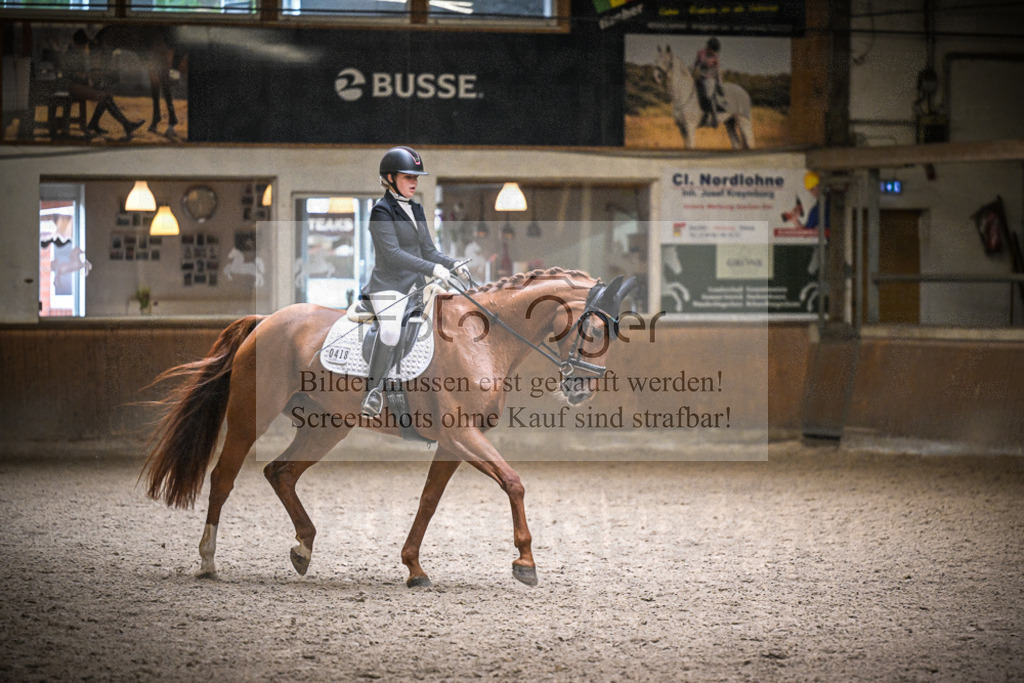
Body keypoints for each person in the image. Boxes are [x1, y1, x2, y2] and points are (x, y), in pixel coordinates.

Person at [359, 146, 470, 418]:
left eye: (416, 177)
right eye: (408, 176)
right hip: (388, 286)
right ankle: (373, 392)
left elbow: (428, 249)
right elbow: (393, 254)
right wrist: (432, 268)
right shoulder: (381, 211)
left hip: (416, 287)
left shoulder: (417, 208)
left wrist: (450, 263)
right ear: (390, 178)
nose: (414, 182)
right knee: (390, 332)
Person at [62, 29, 144, 140]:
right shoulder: (73, 54)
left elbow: (82, 74)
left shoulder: (76, 53)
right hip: (74, 87)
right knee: (105, 96)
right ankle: (126, 125)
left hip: (79, 86)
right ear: (79, 43)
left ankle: (97, 124)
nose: (85, 47)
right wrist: (88, 79)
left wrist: (90, 78)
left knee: (106, 95)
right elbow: (70, 75)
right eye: (84, 44)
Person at [692, 36, 725, 128]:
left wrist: (720, 83)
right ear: (709, 46)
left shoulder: (715, 57)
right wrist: (690, 73)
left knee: (708, 96)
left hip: (710, 80)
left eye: (715, 50)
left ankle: (713, 119)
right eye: (712, 49)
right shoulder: (701, 53)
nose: (713, 52)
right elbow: (695, 64)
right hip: (700, 78)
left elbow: (718, 71)